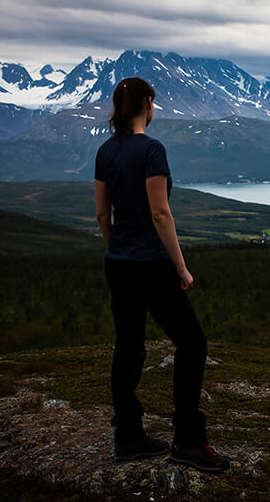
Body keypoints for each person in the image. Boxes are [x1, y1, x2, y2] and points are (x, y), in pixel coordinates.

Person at [94, 76, 229, 472]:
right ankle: (188, 440)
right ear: (148, 104)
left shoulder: (105, 151)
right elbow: (160, 213)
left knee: (129, 346)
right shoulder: (151, 150)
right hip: (152, 263)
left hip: (118, 262)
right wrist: (181, 267)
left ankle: (129, 437)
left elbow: (103, 214)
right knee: (192, 344)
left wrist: (115, 246)